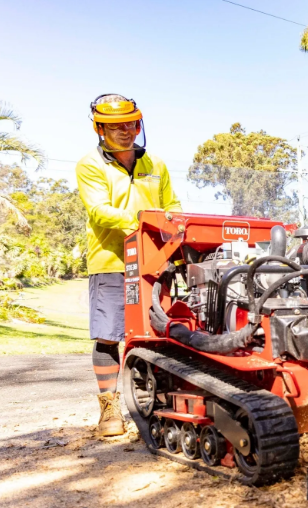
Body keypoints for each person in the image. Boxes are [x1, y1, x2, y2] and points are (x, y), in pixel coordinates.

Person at [76, 94, 182, 436]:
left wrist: (178, 239)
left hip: (156, 261)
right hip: (111, 261)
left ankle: (160, 405)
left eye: (131, 123)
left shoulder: (156, 165)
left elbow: (173, 207)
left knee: (161, 332)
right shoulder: (90, 165)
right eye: (116, 126)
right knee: (110, 336)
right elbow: (99, 211)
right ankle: (109, 409)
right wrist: (145, 223)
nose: (126, 130)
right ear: (100, 128)